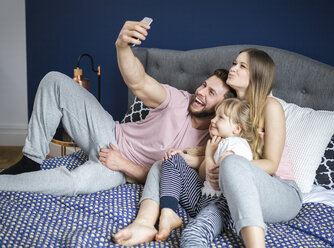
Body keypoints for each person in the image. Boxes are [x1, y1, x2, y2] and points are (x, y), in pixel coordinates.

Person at [0, 20, 235, 196]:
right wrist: (122, 46)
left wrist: (123, 164)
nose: (201, 92)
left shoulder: (211, 144)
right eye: (204, 85)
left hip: (119, 170)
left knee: (74, 184)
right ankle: (31, 160)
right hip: (109, 132)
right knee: (54, 81)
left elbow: (168, 179)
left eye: (211, 93)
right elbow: (138, 82)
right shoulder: (178, 99)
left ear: (223, 106)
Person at [113, 48, 302, 248]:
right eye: (234, 63)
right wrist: (191, 159)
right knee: (165, 163)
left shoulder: (270, 107)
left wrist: (228, 168)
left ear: (257, 74)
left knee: (231, 163)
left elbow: (271, 164)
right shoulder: (226, 111)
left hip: (277, 190)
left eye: (242, 66)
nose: (233, 68)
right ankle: (145, 223)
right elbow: (211, 166)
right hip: (225, 191)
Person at [157, 98, 254, 247]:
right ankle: (169, 211)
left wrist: (209, 155)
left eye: (220, 117)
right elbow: (203, 176)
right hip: (202, 198)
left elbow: (215, 180)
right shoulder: (217, 143)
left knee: (192, 235)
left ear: (237, 129)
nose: (213, 120)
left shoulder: (238, 145)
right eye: (215, 115)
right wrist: (190, 157)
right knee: (173, 159)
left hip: (223, 206)